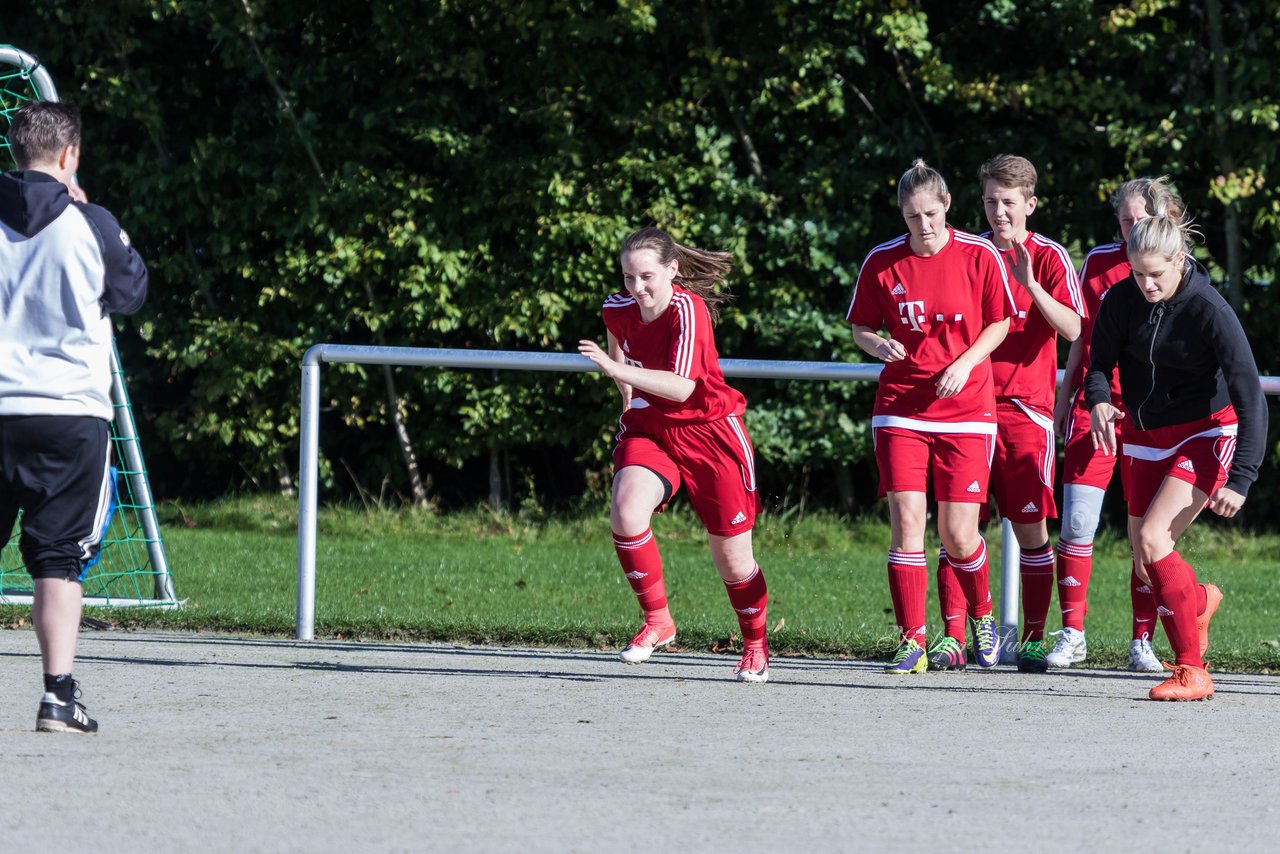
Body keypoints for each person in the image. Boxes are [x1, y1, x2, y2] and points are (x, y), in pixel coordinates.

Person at [0, 101, 148, 732]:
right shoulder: (92, 224)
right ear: (70, 156)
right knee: (57, 557)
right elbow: (132, 292)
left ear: (15, 152)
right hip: (68, 413)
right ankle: (57, 696)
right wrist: (89, 213)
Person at [577, 227, 770, 683]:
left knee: (732, 558)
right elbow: (618, 342)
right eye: (628, 277)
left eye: (647, 277)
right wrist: (627, 399)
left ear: (672, 270)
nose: (637, 288)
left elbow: (683, 387)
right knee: (625, 513)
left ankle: (755, 645)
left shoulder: (689, 309)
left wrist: (615, 368)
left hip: (710, 434)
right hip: (654, 429)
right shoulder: (618, 307)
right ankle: (659, 621)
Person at [1086, 214, 1266, 701]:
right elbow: (1097, 365)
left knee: (1152, 537)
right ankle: (1199, 602)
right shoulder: (1121, 299)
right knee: (1146, 563)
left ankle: (1193, 672)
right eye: (1137, 272)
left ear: (1180, 261)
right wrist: (1099, 399)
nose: (1145, 284)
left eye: (1156, 274)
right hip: (1146, 435)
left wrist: (1243, 477)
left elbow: (1251, 393)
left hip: (1206, 431)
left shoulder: (1209, 307)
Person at [846, 159, 1014, 674]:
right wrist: (880, 345)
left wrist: (964, 363)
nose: (924, 225)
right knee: (907, 525)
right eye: (914, 216)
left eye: (932, 213)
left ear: (947, 207)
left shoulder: (980, 254)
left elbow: (1001, 323)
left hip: (965, 410)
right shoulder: (882, 262)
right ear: (903, 215)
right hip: (901, 409)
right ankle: (911, 639)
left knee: (959, 534)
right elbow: (861, 329)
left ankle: (982, 616)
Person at [939, 154, 1082, 674]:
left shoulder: (1048, 256)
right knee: (958, 529)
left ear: (1030, 204)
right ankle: (955, 637)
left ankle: (1036, 639)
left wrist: (1031, 285)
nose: (998, 211)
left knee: (1031, 529)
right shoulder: (966, 252)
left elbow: (1073, 329)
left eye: (1008, 202)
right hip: (965, 410)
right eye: (990, 201)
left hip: (1026, 410)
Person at [1050, 177, 1184, 672]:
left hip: (1149, 412)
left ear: (1160, 218)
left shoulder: (1179, 269)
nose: (1129, 230)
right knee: (1078, 520)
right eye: (1123, 221)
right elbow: (1081, 340)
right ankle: (1072, 632)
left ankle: (1141, 641)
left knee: (1144, 532)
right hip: (1096, 405)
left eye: (1138, 220)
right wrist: (1067, 398)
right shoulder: (1099, 263)